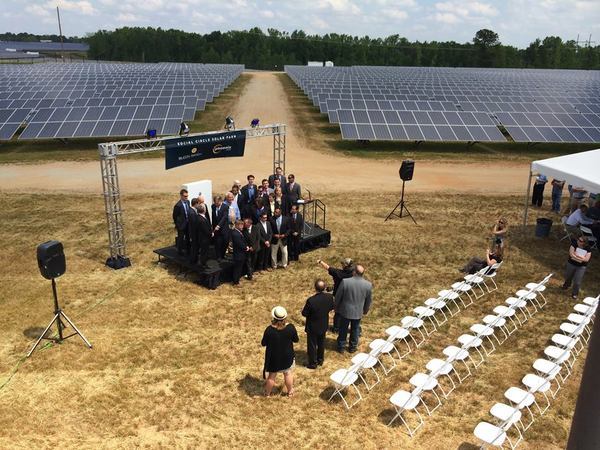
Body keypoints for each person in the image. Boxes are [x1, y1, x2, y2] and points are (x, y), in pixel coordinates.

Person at [261, 306, 299, 397]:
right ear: (284, 317)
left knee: (272, 376)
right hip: (287, 357)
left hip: (274, 358)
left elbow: (263, 343)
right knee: (288, 373)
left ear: (274, 317)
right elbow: (296, 340)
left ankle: (267, 394)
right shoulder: (290, 328)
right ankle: (290, 392)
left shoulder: (269, 330)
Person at [335, 265, 372, 353]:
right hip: (358, 311)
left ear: (354, 272)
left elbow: (338, 296)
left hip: (345, 310)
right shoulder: (368, 285)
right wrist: (365, 310)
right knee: (355, 329)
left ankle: (341, 346)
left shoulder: (345, 282)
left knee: (343, 328)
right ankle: (353, 347)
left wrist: (336, 307)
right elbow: (368, 300)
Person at [301, 279, 334, 369]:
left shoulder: (311, 301)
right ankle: (320, 359)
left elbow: (304, 313)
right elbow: (331, 307)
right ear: (324, 288)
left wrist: (302, 310)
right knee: (321, 343)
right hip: (323, 324)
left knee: (312, 345)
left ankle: (312, 363)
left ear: (315, 288)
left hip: (313, 326)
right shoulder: (329, 297)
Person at [318, 258, 354, 332]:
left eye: (342, 264)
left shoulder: (338, 273)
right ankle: (346, 327)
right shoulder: (354, 274)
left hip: (339, 295)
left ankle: (336, 328)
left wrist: (320, 261)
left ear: (345, 265)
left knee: (337, 312)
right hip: (350, 296)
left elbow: (328, 268)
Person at [172, 188, 191, 255]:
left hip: (188, 224)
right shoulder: (178, 205)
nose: (186, 197)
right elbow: (175, 216)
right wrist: (178, 225)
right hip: (181, 226)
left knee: (188, 238)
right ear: (181, 196)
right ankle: (179, 252)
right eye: (185, 196)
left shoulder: (188, 202)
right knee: (181, 238)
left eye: (187, 196)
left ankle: (188, 250)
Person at [231, 219, 250, 285]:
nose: (242, 226)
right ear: (236, 225)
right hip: (238, 254)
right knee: (237, 269)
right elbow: (239, 243)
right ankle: (236, 282)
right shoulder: (235, 233)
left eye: (242, 225)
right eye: (241, 225)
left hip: (241, 254)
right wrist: (246, 247)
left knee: (239, 268)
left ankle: (237, 280)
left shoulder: (238, 232)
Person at [212, 195, 229, 260]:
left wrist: (219, 225)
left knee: (225, 242)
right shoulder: (213, 206)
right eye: (215, 203)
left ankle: (222, 254)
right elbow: (214, 218)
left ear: (220, 201)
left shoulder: (225, 207)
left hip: (224, 228)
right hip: (216, 229)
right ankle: (218, 256)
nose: (216, 204)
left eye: (217, 203)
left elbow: (224, 217)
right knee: (217, 243)